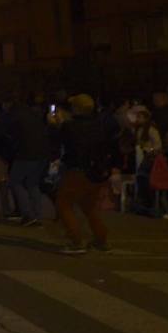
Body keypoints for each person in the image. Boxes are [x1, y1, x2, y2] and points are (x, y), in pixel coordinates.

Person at [54, 94, 120, 254]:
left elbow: (62, 145)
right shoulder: (99, 125)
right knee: (89, 206)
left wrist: (55, 126)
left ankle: (76, 241)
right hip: (96, 171)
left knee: (64, 204)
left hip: (77, 169)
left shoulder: (70, 126)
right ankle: (101, 239)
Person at [0, 96, 48, 226]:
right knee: (33, 183)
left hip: (25, 154)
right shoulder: (32, 114)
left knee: (15, 181)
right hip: (41, 154)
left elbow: (9, 136)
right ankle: (37, 215)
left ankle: (27, 214)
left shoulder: (13, 116)